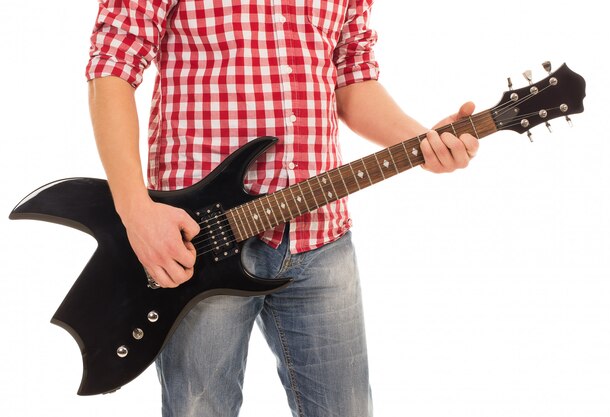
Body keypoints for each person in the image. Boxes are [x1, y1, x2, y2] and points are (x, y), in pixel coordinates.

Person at [86, 1, 478, 416]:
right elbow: (112, 66)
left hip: (321, 236)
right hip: (198, 242)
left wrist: (424, 143)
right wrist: (135, 211)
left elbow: (352, 81)